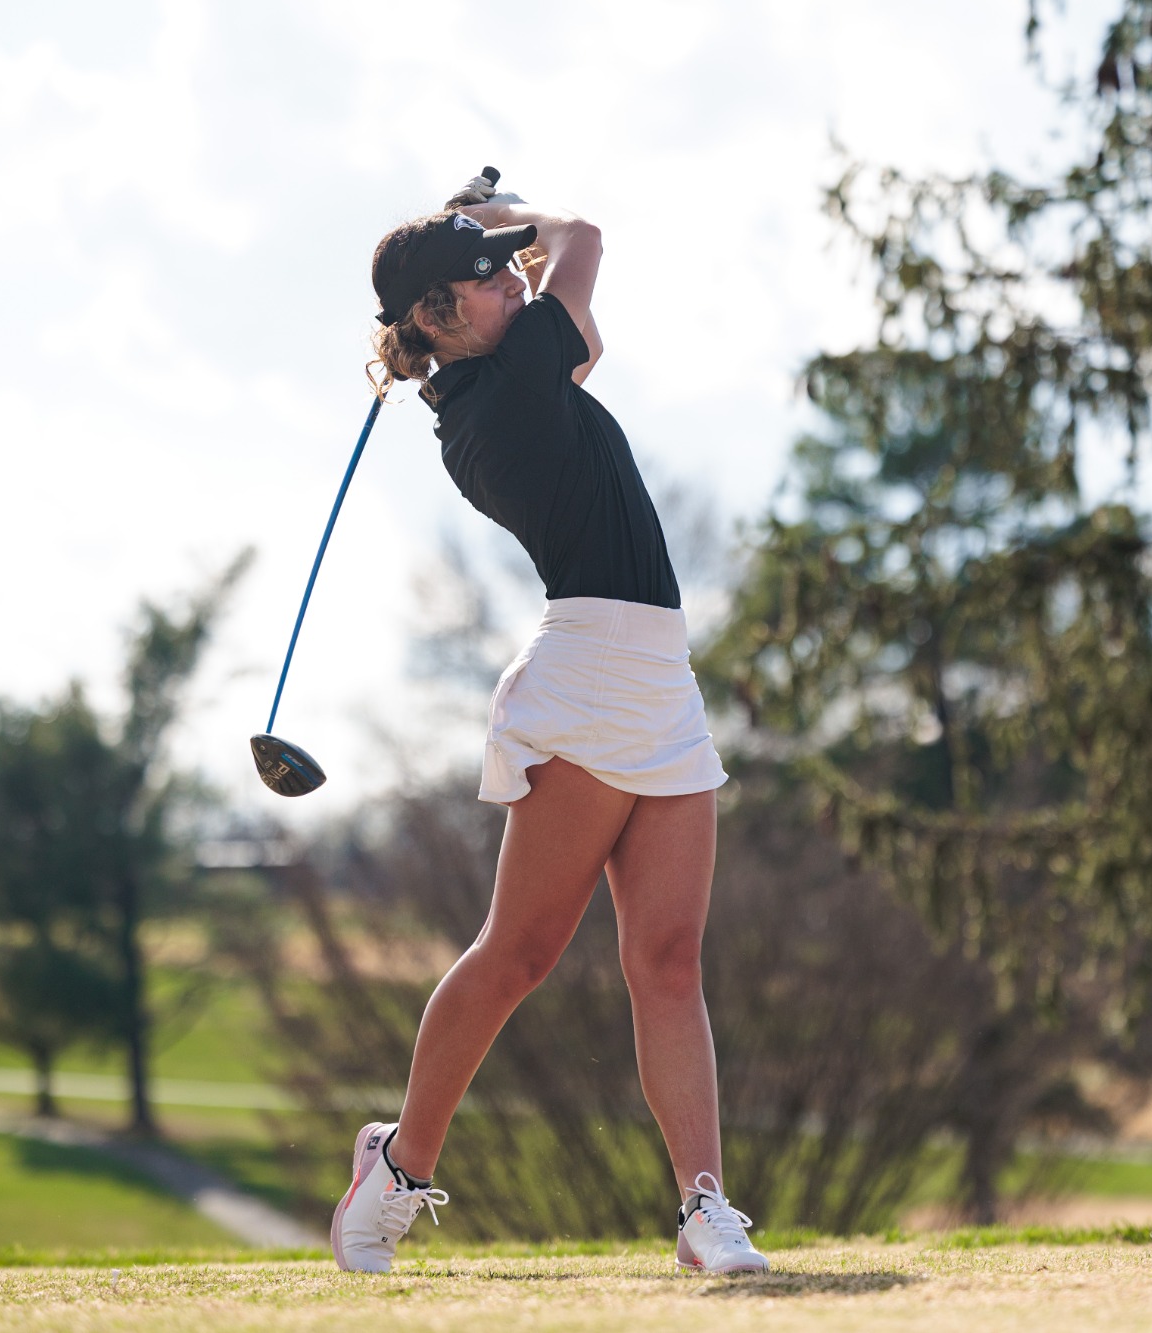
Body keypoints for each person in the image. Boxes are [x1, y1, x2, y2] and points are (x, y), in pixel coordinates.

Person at [329, 173, 768, 1277]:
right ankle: (397, 1167)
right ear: (436, 315)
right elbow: (583, 238)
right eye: (483, 277)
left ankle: (704, 1210)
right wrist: (504, 210)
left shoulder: (500, 370)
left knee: (667, 961)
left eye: (498, 271)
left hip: (656, 677)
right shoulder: (506, 383)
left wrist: (482, 237)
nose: (505, 282)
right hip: (584, 682)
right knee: (519, 953)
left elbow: (565, 302)